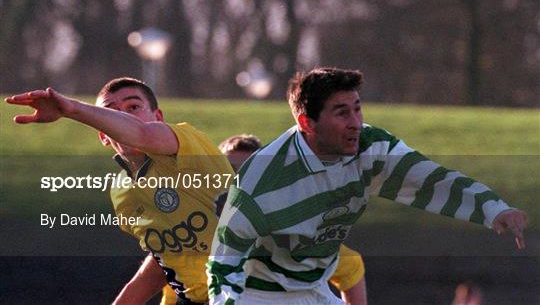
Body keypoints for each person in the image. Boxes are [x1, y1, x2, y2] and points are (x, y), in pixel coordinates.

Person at [206, 67, 528, 305]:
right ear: (306, 122)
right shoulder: (262, 181)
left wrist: (493, 209)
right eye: (342, 113)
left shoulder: (369, 148)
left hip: (316, 289)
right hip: (259, 296)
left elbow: (430, 180)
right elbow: (223, 265)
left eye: (358, 109)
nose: (355, 123)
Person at [6, 78, 234, 305]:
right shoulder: (122, 192)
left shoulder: (185, 141)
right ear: (103, 134)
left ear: (158, 117)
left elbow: (140, 133)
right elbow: (164, 259)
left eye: (134, 107)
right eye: (111, 114)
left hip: (250, 289)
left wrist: (71, 109)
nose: (124, 117)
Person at [160, 134, 368, 305]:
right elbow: (176, 289)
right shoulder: (195, 235)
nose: (239, 181)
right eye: (230, 171)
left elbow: (351, 268)